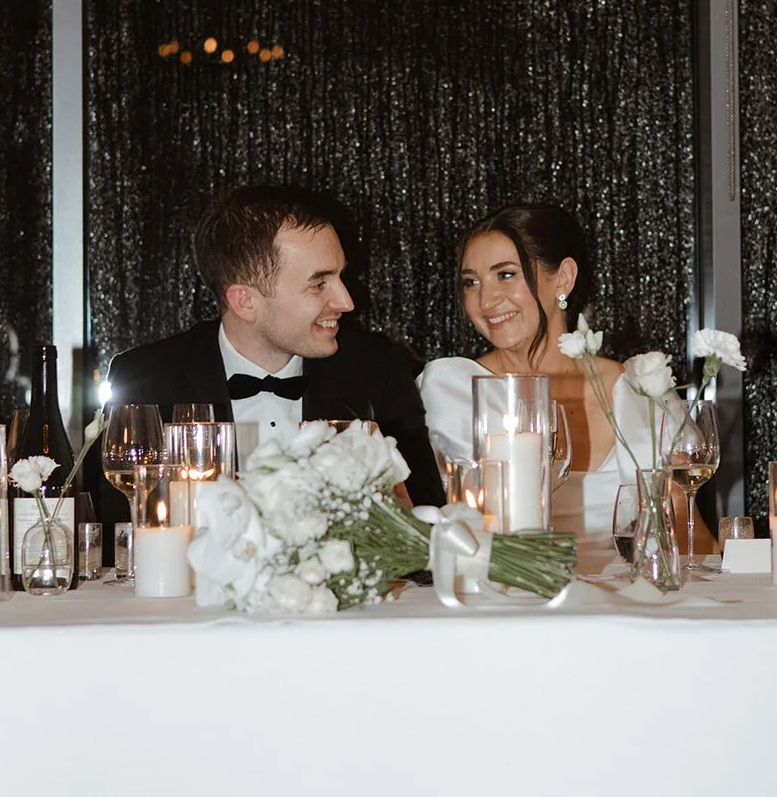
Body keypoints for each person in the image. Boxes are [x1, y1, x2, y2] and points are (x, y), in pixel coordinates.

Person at [105, 184, 445, 508]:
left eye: (341, 276)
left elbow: (423, 518)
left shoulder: (377, 369)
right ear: (245, 301)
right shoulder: (146, 380)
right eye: (318, 284)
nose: (345, 301)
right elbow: (113, 533)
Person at [418, 201, 656, 544]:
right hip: (504, 588)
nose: (486, 300)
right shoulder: (451, 389)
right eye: (471, 282)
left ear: (563, 278)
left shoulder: (630, 388)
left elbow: (684, 531)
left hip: (627, 592)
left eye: (506, 275)